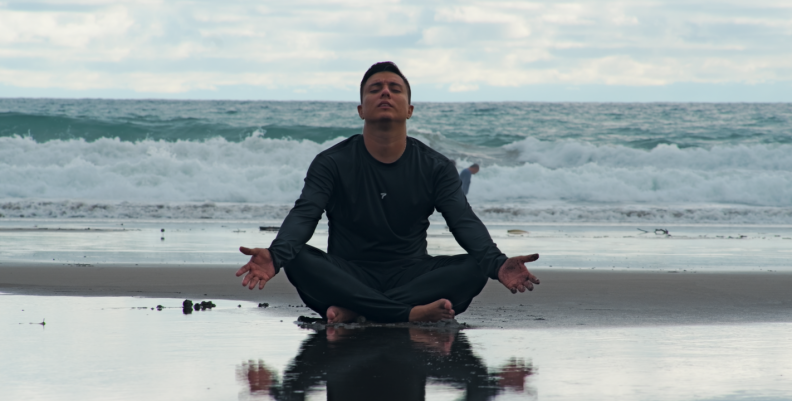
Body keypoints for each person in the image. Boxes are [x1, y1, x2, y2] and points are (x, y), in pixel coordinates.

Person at [236, 61, 540, 324]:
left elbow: (463, 220)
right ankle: (408, 313)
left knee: (476, 266)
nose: (385, 92)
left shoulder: (435, 167)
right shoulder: (332, 162)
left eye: (395, 89)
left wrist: (497, 263)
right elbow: (305, 214)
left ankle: (358, 312)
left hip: (411, 276)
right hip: (347, 274)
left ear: (409, 109)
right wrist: (276, 256)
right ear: (361, 110)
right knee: (297, 258)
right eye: (375, 89)